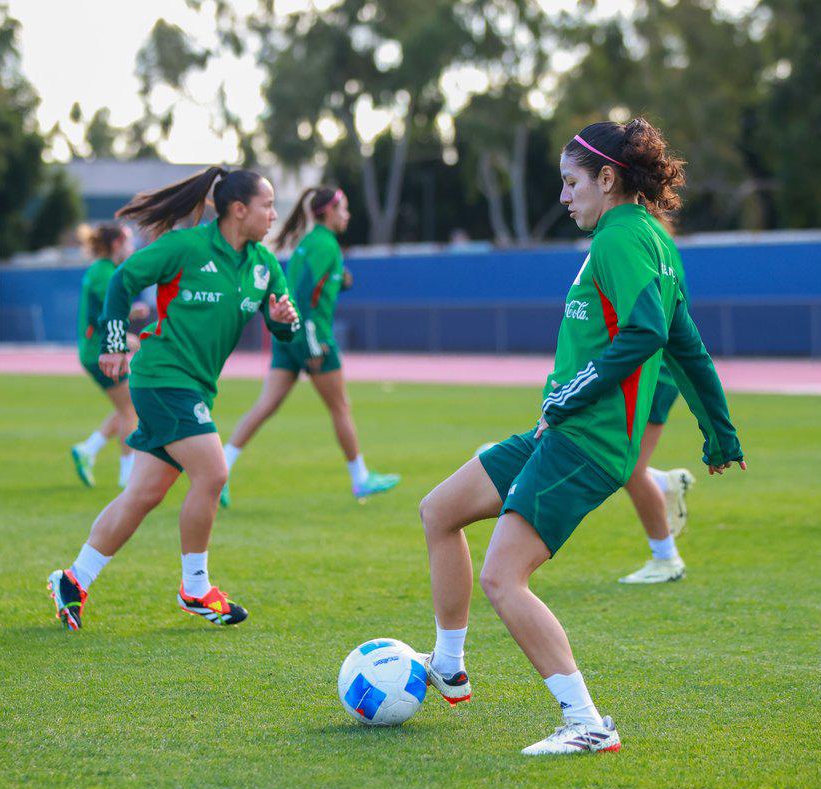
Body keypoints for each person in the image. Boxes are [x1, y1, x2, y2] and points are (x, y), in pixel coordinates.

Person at [418, 119, 744, 755]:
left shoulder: (623, 236)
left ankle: (587, 723)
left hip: (585, 441)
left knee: (503, 579)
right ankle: (448, 664)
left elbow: (649, 332)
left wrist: (572, 393)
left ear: (607, 178)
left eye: (571, 183)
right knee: (441, 511)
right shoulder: (649, 238)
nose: (564, 196)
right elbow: (688, 346)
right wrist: (719, 431)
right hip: (563, 430)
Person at [47, 167, 299, 631]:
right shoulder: (187, 247)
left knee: (143, 494)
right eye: (267, 205)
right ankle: (196, 588)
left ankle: (73, 579)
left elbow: (285, 321)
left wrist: (285, 319)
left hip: (196, 385)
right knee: (214, 471)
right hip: (162, 376)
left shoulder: (265, 264)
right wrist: (114, 341)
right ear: (238, 210)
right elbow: (123, 280)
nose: (274, 214)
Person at [220, 186, 399, 505]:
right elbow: (304, 297)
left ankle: (220, 471)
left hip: (289, 335)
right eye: (343, 208)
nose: (347, 214)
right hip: (310, 336)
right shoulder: (325, 244)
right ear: (328, 212)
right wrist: (312, 346)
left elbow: (313, 287)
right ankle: (360, 479)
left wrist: (340, 281)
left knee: (266, 405)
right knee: (340, 406)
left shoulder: (310, 242)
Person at [70, 223, 149, 489]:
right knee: (131, 409)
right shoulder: (104, 273)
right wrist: (125, 337)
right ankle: (127, 476)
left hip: (98, 348)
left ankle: (88, 449)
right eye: (128, 242)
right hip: (99, 351)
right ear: (116, 244)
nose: (132, 247)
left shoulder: (104, 270)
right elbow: (107, 315)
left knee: (126, 406)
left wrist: (129, 318)